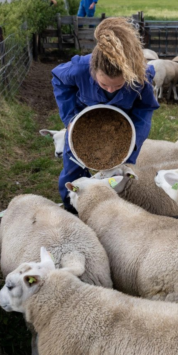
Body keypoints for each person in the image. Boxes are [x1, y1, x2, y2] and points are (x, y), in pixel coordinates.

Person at [52, 17, 159, 213]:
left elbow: (145, 108)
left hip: (119, 130)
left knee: (117, 179)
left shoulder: (140, 77)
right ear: (93, 71)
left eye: (118, 86)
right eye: (103, 85)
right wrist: (70, 119)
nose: (110, 90)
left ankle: (109, 215)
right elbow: (59, 81)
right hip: (83, 127)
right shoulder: (80, 68)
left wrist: (133, 142)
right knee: (71, 174)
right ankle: (72, 211)